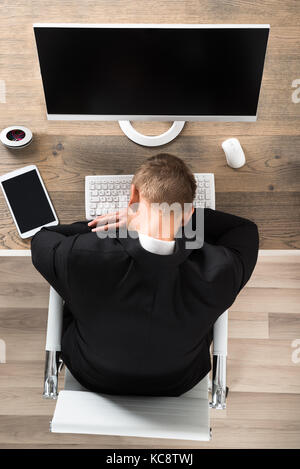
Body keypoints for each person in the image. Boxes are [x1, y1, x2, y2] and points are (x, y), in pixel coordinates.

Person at [31, 153, 259, 396]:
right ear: (190, 213)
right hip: (178, 381)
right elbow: (244, 230)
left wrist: (113, 225)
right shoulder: (222, 271)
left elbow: (42, 238)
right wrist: (179, 215)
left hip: (93, 373)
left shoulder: (79, 256)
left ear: (133, 198)